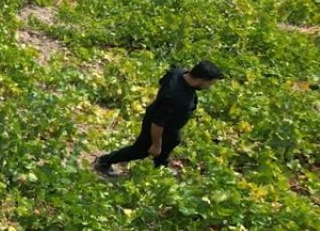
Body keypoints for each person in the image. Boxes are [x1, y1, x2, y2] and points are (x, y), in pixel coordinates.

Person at [94, 60, 225, 178]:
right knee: (140, 150)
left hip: (168, 123)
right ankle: (104, 161)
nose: (209, 86)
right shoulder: (176, 97)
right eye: (209, 83)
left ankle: (160, 167)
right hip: (157, 124)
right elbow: (158, 124)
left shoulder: (179, 72)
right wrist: (156, 144)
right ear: (200, 80)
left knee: (173, 140)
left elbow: (162, 83)